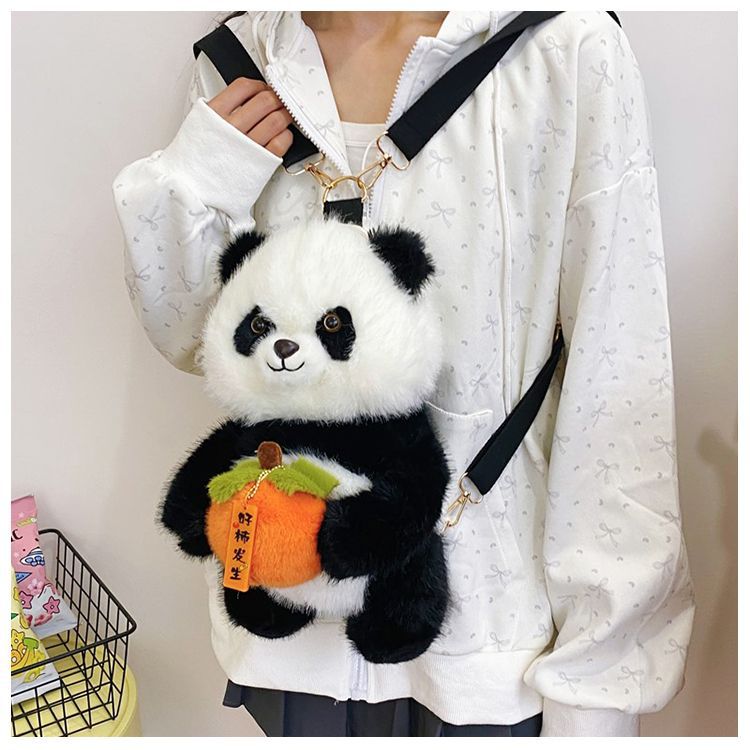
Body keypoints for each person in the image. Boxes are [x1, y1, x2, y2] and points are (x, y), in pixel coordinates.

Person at [112, 10, 696, 738]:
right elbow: (196, 343)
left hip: (493, 648)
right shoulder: (244, 55)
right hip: (285, 630)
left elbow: (619, 378)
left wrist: (596, 696)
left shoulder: (565, 51)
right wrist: (194, 181)